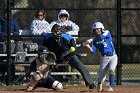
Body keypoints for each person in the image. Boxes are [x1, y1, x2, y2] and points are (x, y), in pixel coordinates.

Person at [43, 24, 96, 89]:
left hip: (68, 55)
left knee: (81, 67)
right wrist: (50, 58)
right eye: (54, 31)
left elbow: (74, 50)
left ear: (61, 31)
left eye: (58, 31)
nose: (56, 33)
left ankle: (91, 84)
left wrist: (67, 59)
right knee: (45, 68)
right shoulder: (48, 38)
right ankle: (43, 83)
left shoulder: (68, 37)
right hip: (55, 56)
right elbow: (44, 47)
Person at [83, 22, 118, 92]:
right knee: (101, 76)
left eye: (98, 29)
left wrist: (91, 39)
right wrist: (87, 46)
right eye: (95, 30)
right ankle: (99, 83)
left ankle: (111, 87)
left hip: (113, 56)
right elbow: (93, 51)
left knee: (112, 70)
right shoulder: (95, 41)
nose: (97, 31)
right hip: (104, 58)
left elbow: (101, 37)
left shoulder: (107, 33)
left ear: (102, 29)